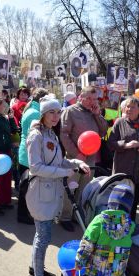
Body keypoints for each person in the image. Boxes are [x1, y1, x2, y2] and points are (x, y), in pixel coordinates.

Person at [26, 96, 90, 276]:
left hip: (49, 192)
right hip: (39, 193)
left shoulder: (51, 133)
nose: (55, 116)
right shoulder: (36, 135)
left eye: (58, 112)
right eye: (51, 112)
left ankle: (35, 268)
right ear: (43, 114)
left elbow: (59, 161)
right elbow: (35, 167)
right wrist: (64, 173)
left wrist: (76, 163)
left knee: (42, 235)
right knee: (43, 237)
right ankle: (38, 275)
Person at [59, 87, 108, 232]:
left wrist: (97, 115)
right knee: (70, 188)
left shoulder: (94, 112)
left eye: (94, 99)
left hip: (91, 159)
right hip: (74, 159)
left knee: (84, 189)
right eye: (89, 99)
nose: (92, 102)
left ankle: (77, 215)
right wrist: (75, 153)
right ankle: (65, 217)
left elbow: (104, 131)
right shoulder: (71, 111)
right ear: (81, 97)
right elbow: (64, 134)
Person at [107, 97, 139, 221]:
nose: (129, 109)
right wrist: (125, 145)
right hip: (122, 169)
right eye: (127, 106)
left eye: (133, 107)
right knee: (119, 199)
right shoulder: (119, 123)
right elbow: (110, 143)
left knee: (134, 201)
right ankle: (116, 227)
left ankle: (130, 226)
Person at [75, 184, 136, 276]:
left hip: (95, 273)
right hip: (115, 274)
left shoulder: (99, 220)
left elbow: (87, 244)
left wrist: (79, 262)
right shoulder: (131, 225)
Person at [17, 88, 49, 224]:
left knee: (25, 186)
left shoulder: (30, 109)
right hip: (29, 154)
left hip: (25, 152)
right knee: (27, 188)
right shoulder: (36, 113)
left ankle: (23, 213)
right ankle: (23, 215)